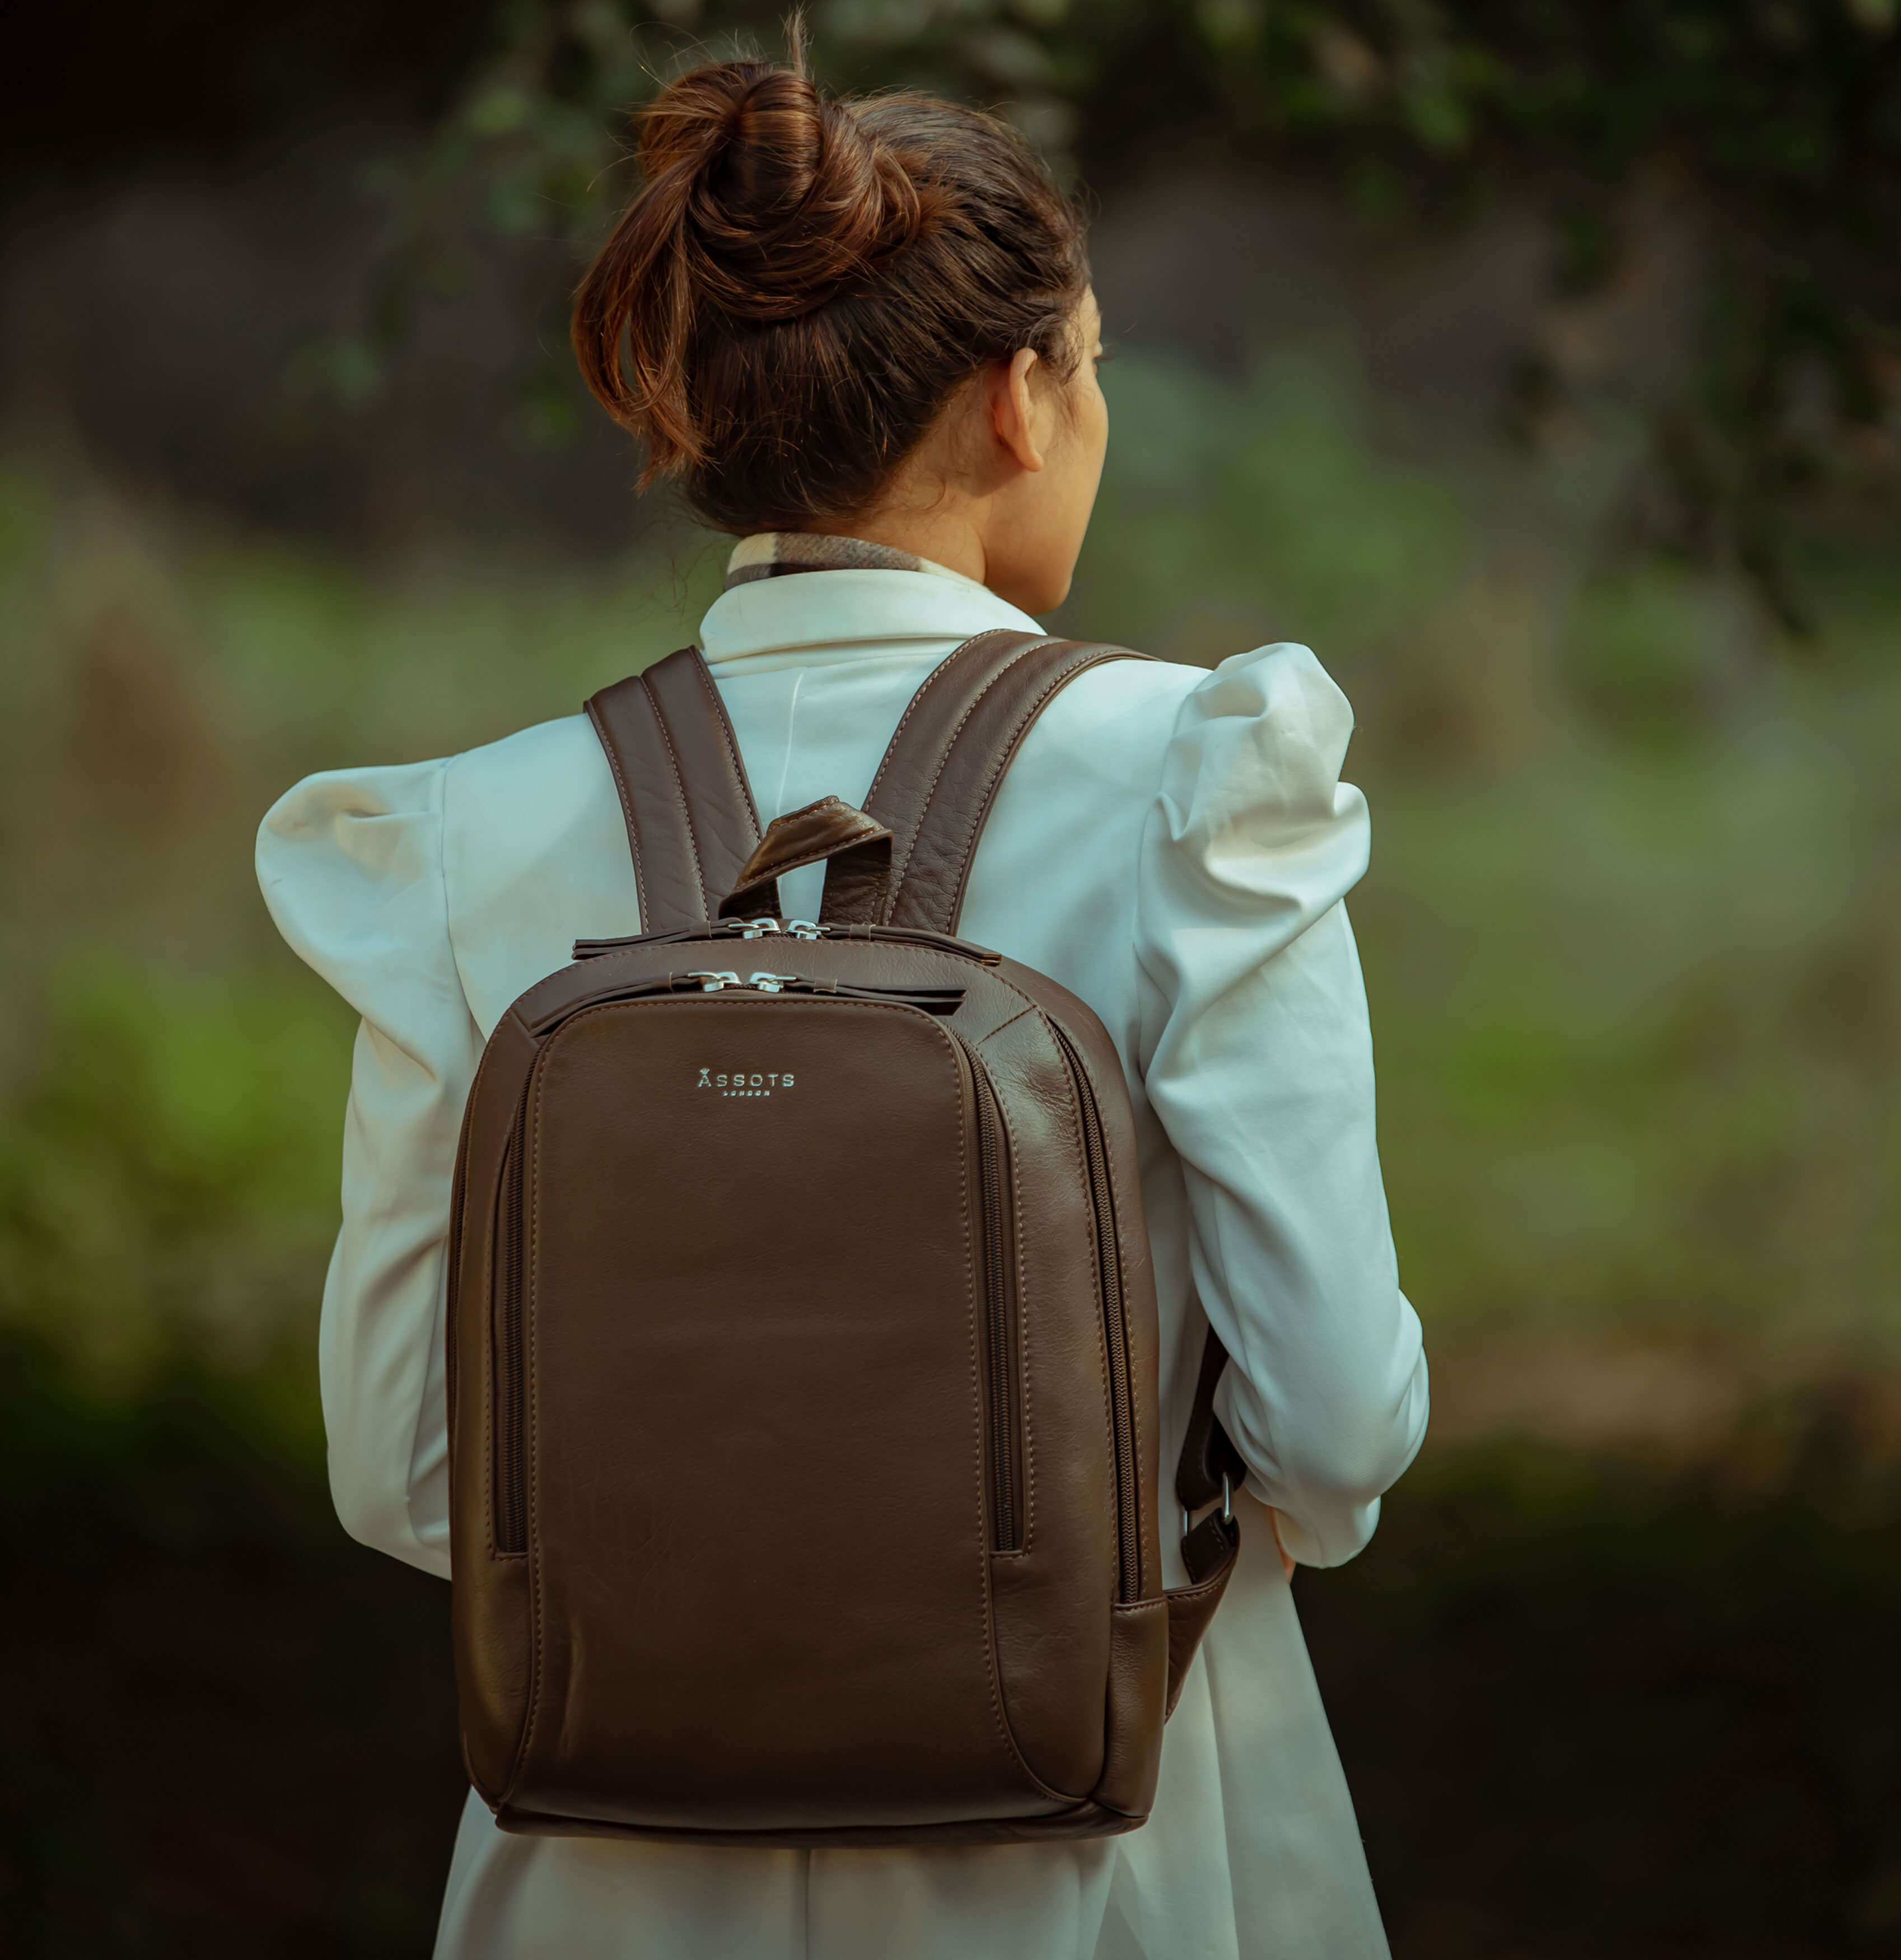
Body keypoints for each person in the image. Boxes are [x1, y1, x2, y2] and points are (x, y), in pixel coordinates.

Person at [256, 42, 1428, 1960]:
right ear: (1016, 399)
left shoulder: (468, 828)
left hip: (607, 1855)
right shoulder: (1201, 783)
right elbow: (1335, 1426)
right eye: (1095, 359)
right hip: (1105, 1830)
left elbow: (408, 1473)